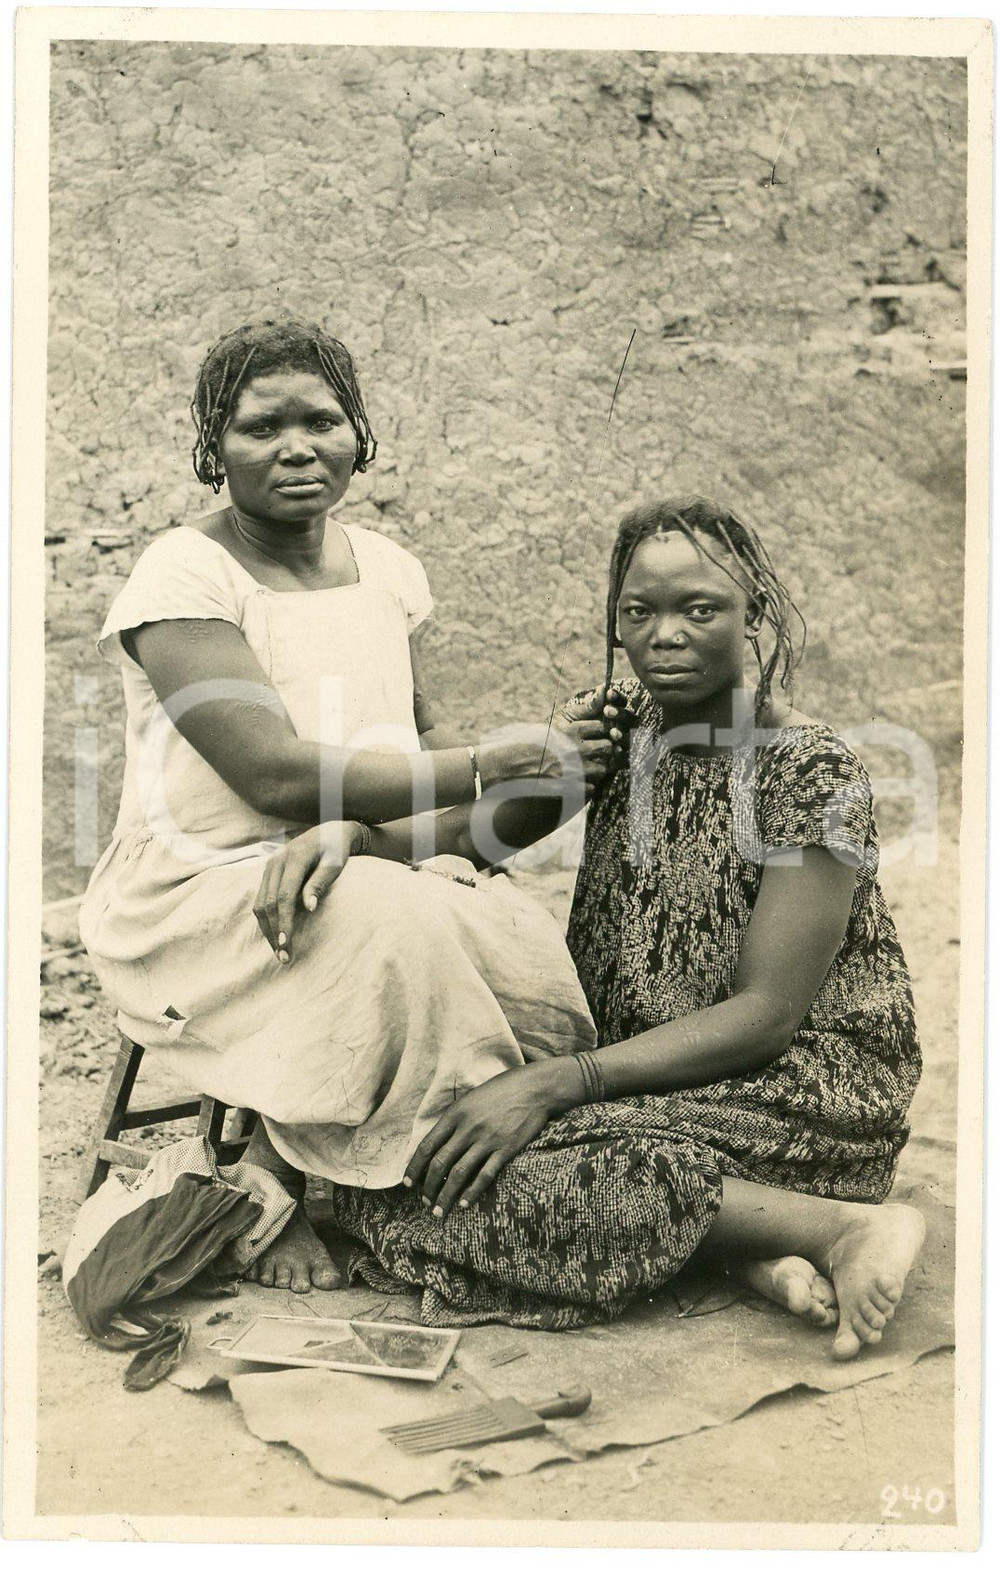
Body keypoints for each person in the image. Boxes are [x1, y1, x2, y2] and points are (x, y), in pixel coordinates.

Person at [313, 497, 925, 1360]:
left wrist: (557, 1082)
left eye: (699, 609)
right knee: (416, 1162)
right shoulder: (614, 727)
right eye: (639, 612)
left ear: (753, 611)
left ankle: (843, 1226)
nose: (664, 635)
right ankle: (743, 1241)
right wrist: (358, 839)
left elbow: (768, 1015)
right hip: (639, 1083)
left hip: (796, 1090)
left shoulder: (808, 772)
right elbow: (476, 834)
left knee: (548, 1175)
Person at [79, 318, 617, 1295]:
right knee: (387, 920)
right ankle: (293, 1172)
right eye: (261, 427)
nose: (297, 447)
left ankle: (446, 1162)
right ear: (213, 447)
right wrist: (488, 760)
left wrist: (556, 773)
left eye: (322, 421)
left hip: (358, 855)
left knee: (511, 931)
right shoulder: (183, 573)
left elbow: (420, 779)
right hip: (203, 887)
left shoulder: (390, 572)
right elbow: (276, 779)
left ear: (358, 434)